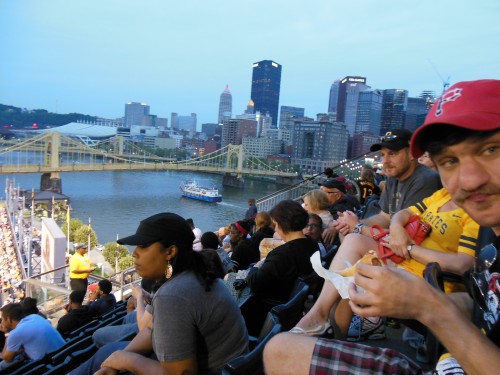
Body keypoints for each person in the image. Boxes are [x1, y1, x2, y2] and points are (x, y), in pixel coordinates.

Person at [263, 79, 500, 375]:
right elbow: (393, 217)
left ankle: (322, 319)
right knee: (279, 349)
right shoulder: (475, 224)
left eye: (491, 150)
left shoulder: (433, 188)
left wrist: (433, 308)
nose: (469, 179)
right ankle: (324, 321)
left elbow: (458, 264)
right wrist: (360, 225)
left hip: (425, 283)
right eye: (450, 161)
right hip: (448, 331)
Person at [72, 212, 248, 375]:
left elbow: (182, 373)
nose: (134, 253)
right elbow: (150, 329)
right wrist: (120, 357)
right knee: (108, 354)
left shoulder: (173, 295)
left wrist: (127, 360)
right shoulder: (197, 274)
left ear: (170, 251)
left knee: (103, 354)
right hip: (230, 366)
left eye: (143, 246)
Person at [295, 186, 479, 340]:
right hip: (400, 260)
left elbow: (462, 264)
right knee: (351, 255)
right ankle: (322, 320)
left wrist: (408, 248)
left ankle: (325, 328)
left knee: (353, 275)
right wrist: (397, 228)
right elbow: (404, 213)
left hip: (427, 280)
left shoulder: (475, 212)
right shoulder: (443, 194)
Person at [324, 128, 442, 244]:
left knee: (352, 239)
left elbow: (408, 235)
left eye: (392, 153)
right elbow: (385, 217)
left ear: (411, 154)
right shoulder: (393, 177)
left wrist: (358, 227)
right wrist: (351, 223)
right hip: (394, 240)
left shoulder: (425, 180)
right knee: (346, 232)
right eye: (383, 154)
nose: (385, 160)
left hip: (414, 247)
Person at [245, 200, 319, 303]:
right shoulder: (313, 244)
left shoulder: (282, 254)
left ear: (282, 224)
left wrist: (257, 265)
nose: (275, 230)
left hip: (270, 304)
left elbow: (254, 283)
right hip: (292, 303)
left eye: (275, 225)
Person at [1, 302, 65, 369]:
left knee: (2, 365)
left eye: (2, 319)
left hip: (49, 365)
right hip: (64, 355)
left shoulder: (15, 333)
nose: (1, 322)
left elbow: (6, 359)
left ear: (8, 319)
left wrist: (7, 334)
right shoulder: (35, 317)